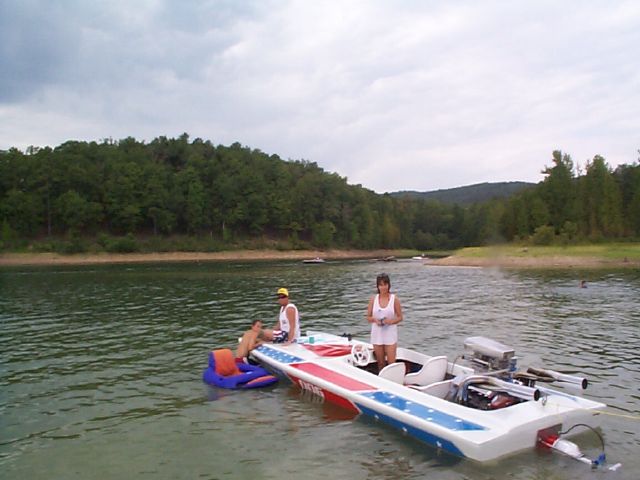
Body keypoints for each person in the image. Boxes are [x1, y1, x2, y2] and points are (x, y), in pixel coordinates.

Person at [367, 273, 403, 373]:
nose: (383, 287)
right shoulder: (373, 299)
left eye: (385, 284)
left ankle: (393, 381)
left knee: (391, 363)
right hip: (377, 334)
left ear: (389, 285)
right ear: (378, 286)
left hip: (390, 334)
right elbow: (368, 317)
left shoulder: (394, 299)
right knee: (381, 363)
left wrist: (391, 321)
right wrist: (375, 320)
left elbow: (400, 317)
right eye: (381, 285)